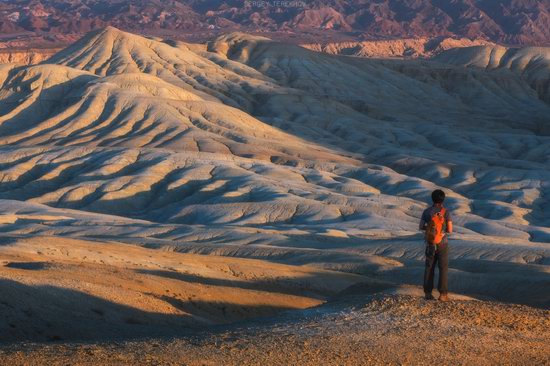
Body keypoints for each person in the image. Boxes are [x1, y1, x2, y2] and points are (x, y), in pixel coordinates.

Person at [419, 189, 453, 301]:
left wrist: (429, 228)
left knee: (429, 268)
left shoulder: (427, 212)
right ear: (443, 199)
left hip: (430, 244)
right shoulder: (446, 212)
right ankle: (443, 295)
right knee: (443, 268)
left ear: (432, 199)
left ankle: (428, 294)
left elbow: (420, 226)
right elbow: (450, 230)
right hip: (443, 243)